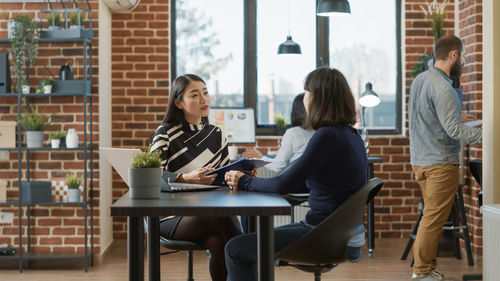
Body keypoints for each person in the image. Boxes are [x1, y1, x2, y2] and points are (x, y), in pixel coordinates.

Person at [223, 67, 368, 281]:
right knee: (250, 246)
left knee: (235, 249)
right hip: (344, 235)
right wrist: (255, 182)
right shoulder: (351, 135)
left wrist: (244, 181)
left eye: (307, 93)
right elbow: (304, 182)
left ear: (320, 98)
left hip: (324, 235)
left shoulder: (326, 136)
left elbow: (284, 184)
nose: (305, 99)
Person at [150, 74, 242, 281]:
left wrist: (239, 174)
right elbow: (151, 178)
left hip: (209, 213)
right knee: (223, 222)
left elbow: (224, 178)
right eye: (195, 94)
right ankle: (249, 258)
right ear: (178, 102)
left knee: (219, 243)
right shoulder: (165, 133)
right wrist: (184, 178)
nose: (204, 99)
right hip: (170, 216)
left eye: (205, 92)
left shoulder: (217, 134)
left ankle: (245, 258)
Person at [408, 35, 482, 281]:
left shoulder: (421, 79)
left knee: (430, 217)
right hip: (440, 163)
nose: (465, 61)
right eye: (464, 56)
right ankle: (421, 272)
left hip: (421, 160)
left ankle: (426, 268)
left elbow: (430, 117)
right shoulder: (445, 88)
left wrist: (460, 117)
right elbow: (453, 131)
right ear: (453, 55)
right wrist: (485, 135)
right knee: (432, 220)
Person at [264, 93, 315, 174]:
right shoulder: (322, 132)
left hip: (292, 183)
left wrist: (259, 158)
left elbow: (278, 166)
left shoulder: (293, 133)